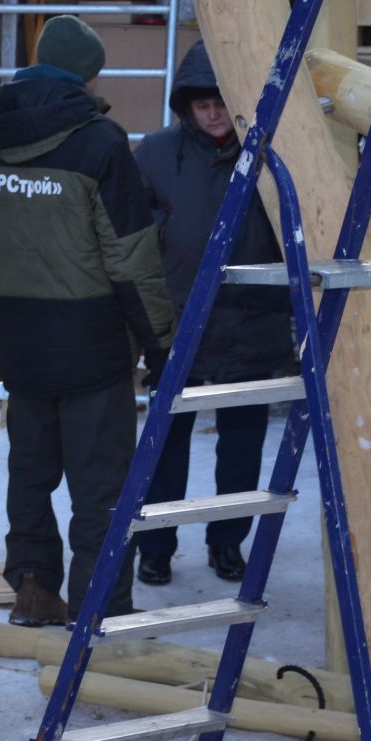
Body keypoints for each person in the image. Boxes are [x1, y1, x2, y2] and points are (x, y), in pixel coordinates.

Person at [0, 15, 173, 627]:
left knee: (29, 472)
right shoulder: (100, 142)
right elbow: (131, 256)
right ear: (89, 74)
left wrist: (9, 317)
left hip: (23, 340)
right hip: (93, 342)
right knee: (100, 484)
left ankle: (32, 588)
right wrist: (160, 344)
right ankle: (98, 602)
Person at [132, 40, 295, 585]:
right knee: (164, 444)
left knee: (242, 445)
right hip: (179, 324)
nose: (213, 114)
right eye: (201, 105)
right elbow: (134, 238)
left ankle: (228, 541)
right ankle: (155, 544)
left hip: (251, 320)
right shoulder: (154, 154)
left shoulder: (274, 157)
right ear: (185, 106)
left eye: (221, 103)